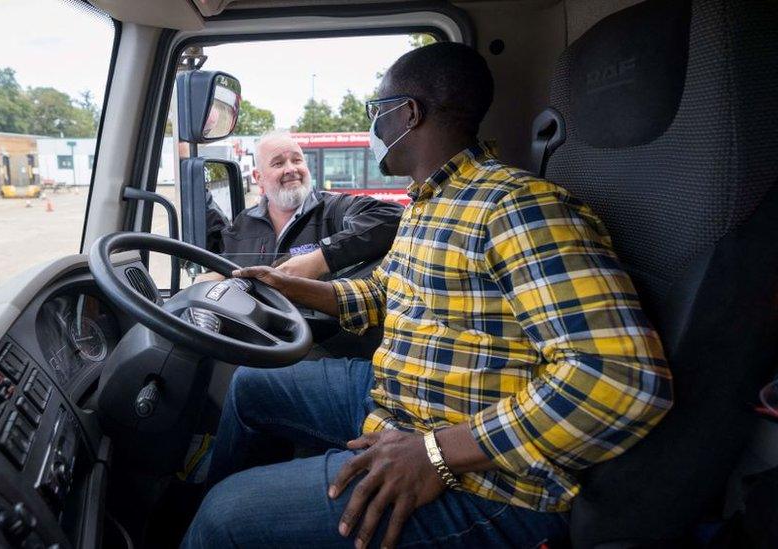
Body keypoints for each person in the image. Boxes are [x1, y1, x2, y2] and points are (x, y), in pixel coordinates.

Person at [182, 42, 673, 548]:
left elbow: (620, 377)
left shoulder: (514, 208)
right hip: (401, 397)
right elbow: (382, 293)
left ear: (408, 114)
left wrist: (437, 453)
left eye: (377, 112)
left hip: (483, 478)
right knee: (250, 385)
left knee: (225, 517)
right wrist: (290, 285)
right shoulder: (431, 201)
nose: (374, 127)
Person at [204, 131, 403, 279]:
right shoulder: (243, 223)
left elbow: (393, 216)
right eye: (278, 163)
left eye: (297, 160)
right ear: (259, 178)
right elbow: (219, 255)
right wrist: (217, 277)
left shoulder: (333, 209)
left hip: (316, 333)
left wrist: (321, 259)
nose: (291, 169)